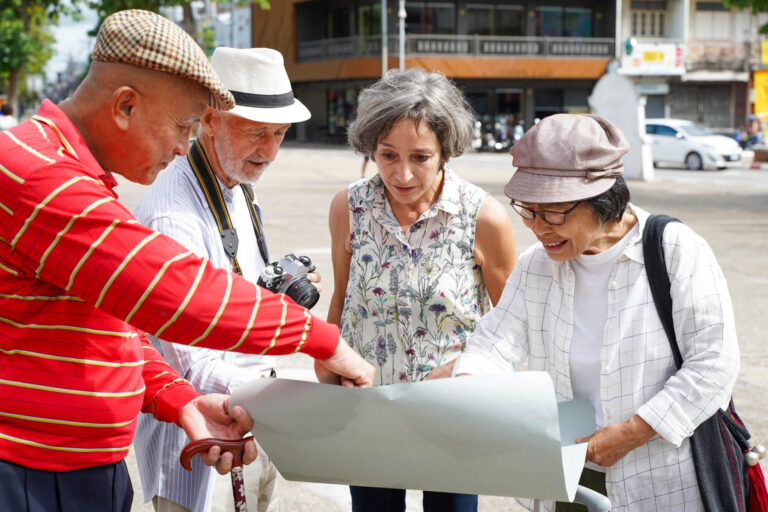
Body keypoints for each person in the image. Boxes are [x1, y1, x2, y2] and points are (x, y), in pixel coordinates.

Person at [0, 10, 373, 512]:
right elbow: (172, 292)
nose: (181, 147)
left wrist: (178, 401)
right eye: (182, 125)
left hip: (75, 468)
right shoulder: (40, 176)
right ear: (125, 105)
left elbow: (118, 329)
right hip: (32, 472)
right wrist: (320, 339)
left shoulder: (72, 173)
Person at [453, 114, 740, 512]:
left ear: (603, 199)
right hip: (567, 470)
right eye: (528, 211)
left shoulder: (675, 250)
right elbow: (495, 342)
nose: (538, 228)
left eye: (554, 213)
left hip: (659, 474)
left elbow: (714, 362)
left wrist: (632, 432)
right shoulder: (537, 264)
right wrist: (467, 381)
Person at [326, 68, 518, 512]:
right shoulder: (349, 207)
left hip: (451, 414)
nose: (403, 173)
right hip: (368, 409)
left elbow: (510, 328)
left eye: (421, 157)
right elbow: (342, 300)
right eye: (387, 154)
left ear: (446, 152)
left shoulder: (483, 217)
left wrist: (467, 372)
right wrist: (328, 361)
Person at [133, 47, 310, 512]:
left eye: (280, 133)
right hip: (199, 451)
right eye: (256, 133)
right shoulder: (173, 217)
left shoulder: (236, 184)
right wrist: (299, 394)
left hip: (252, 417)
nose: (270, 151)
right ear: (209, 119)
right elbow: (190, 366)